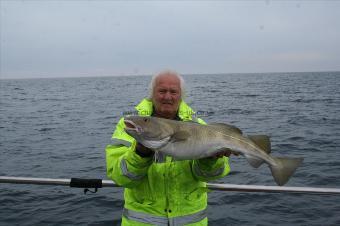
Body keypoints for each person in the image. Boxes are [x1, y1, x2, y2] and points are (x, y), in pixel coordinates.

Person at [106, 70, 232, 225]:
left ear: (181, 95)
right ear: (152, 93)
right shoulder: (129, 127)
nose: (167, 97)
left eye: (173, 91)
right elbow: (120, 177)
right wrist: (140, 154)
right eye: (162, 91)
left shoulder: (199, 127)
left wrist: (210, 160)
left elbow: (211, 175)